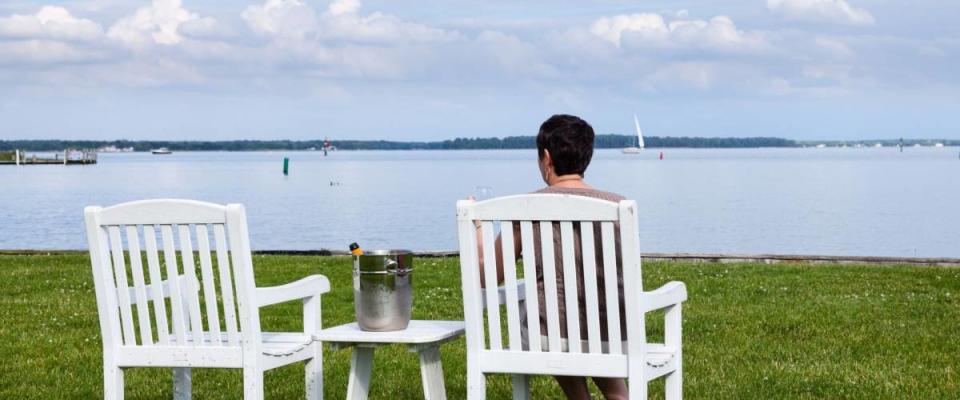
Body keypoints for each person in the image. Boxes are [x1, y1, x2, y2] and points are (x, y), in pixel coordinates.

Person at [476, 114, 629, 400]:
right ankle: (618, 395)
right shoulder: (618, 205)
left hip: (549, 336)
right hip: (612, 333)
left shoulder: (527, 207)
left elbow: (488, 277)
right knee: (582, 325)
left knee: (552, 319)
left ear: (546, 158)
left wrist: (478, 231)